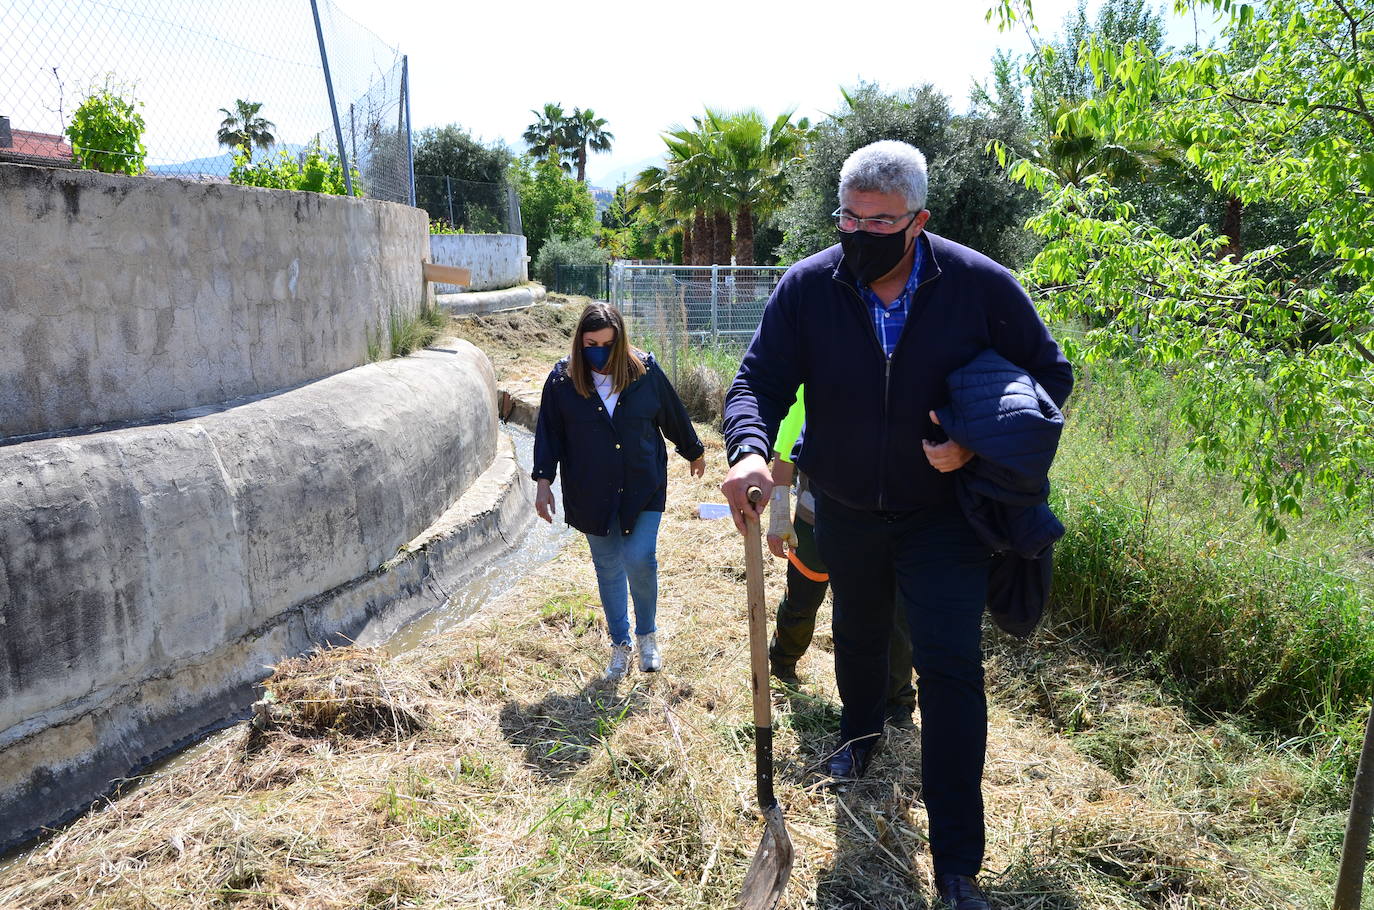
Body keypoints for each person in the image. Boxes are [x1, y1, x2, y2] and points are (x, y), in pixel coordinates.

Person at [720, 140, 1073, 910]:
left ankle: (957, 865)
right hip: (846, 506)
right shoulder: (809, 288)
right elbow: (758, 381)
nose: (860, 233)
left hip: (943, 517)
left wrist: (973, 441)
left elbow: (1050, 375)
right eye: (849, 218)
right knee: (859, 632)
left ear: (919, 220)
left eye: (880, 221)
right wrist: (748, 452)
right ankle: (859, 740)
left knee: (950, 671)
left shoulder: (979, 286)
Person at [533, 303, 706, 682]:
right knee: (608, 566)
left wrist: (693, 450)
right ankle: (620, 645)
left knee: (639, 557)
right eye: (591, 345)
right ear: (580, 343)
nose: (600, 353)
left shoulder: (645, 372)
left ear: (621, 341)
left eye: (608, 344)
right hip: (590, 490)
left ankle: (647, 637)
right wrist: (544, 481)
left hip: (643, 485)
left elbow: (672, 412)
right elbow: (549, 433)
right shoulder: (562, 381)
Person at [766, 387, 916, 730]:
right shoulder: (815, 382)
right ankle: (783, 663)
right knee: (803, 599)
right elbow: (786, 452)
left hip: (885, 524)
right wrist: (779, 515)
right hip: (816, 521)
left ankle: (897, 702)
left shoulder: (902, 379)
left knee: (894, 614)